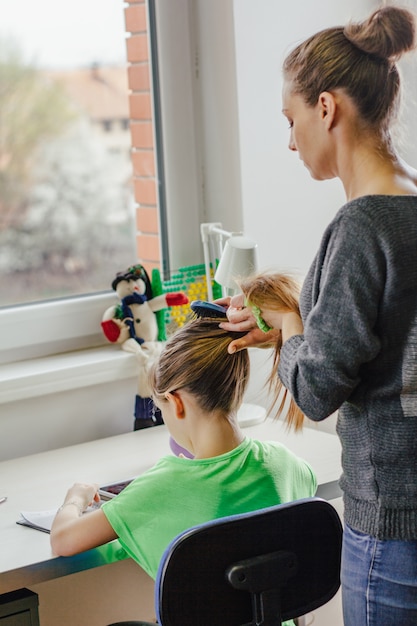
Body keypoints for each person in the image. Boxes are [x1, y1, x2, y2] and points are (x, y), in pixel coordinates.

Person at [219, 6, 417, 625]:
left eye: (292, 118)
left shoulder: (360, 225)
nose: (289, 139)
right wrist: (295, 320)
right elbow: (383, 336)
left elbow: (318, 389)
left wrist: (292, 329)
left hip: (391, 527)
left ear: (326, 108)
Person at [50, 317, 317, 609]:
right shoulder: (284, 462)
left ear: (175, 403)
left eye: (160, 408)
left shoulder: (161, 486)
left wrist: (75, 499)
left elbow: (64, 541)